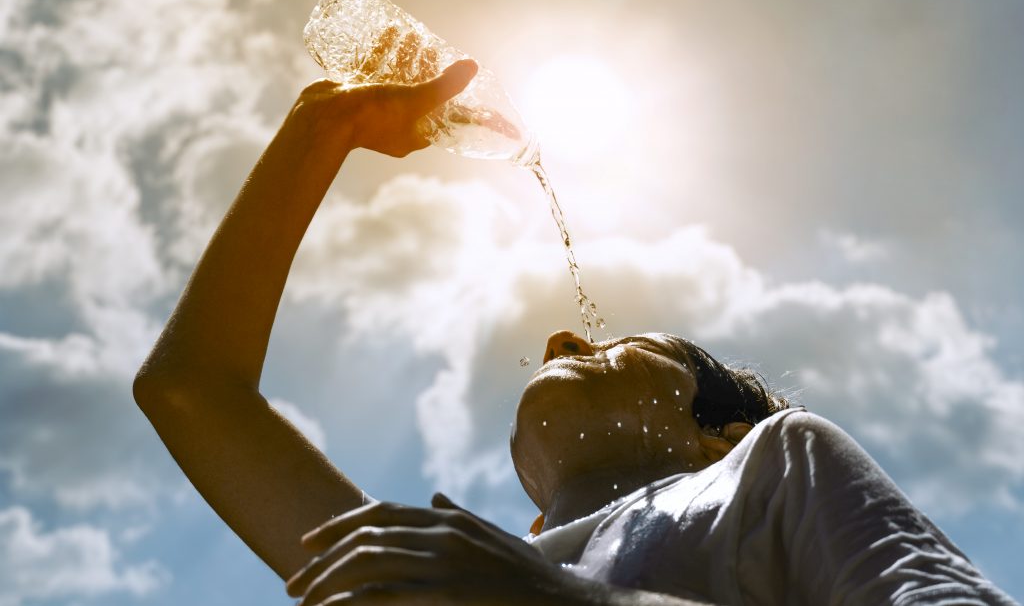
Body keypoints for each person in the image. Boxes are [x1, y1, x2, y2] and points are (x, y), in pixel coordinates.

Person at [134, 59, 1016, 605]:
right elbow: (191, 390)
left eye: (624, 346)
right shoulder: (442, 573)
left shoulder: (779, 464)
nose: (560, 339)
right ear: (529, 504)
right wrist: (322, 129)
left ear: (720, 436)